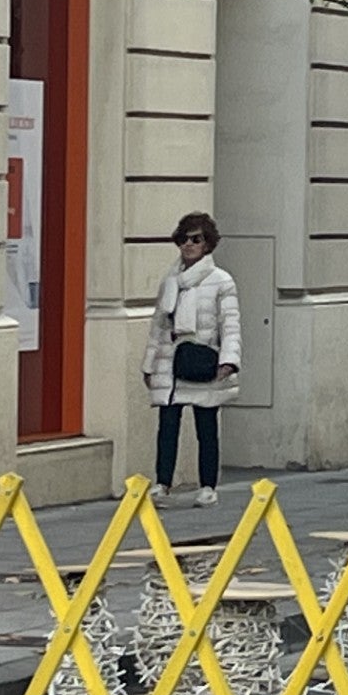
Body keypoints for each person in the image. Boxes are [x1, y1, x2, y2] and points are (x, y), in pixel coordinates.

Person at [141, 212, 241, 508]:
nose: (189, 244)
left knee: (206, 425)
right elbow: (158, 325)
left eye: (196, 239)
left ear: (208, 244)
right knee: (167, 424)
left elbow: (230, 324)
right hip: (170, 360)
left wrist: (229, 360)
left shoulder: (221, 281)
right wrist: (149, 363)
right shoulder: (170, 281)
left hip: (201, 358)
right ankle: (162, 483)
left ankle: (208, 486)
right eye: (184, 239)